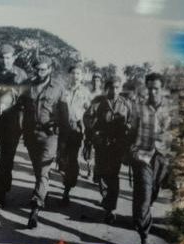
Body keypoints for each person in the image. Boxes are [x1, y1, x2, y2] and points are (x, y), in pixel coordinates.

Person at [20, 55, 68, 228]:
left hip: (50, 136)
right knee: (37, 169)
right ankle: (42, 192)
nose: (39, 72)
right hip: (31, 134)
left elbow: (64, 116)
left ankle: (36, 208)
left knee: (43, 171)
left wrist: (64, 141)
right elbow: (21, 108)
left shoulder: (58, 88)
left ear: (50, 69)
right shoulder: (28, 85)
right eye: (37, 69)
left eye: (43, 69)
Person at [127, 72, 172, 244]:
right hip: (142, 156)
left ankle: (141, 215)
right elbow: (132, 130)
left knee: (152, 193)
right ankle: (143, 234)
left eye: (156, 89)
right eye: (150, 88)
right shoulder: (139, 108)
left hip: (161, 157)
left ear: (162, 89)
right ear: (146, 88)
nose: (153, 92)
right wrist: (130, 150)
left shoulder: (169, 110)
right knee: (144, 195)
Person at [0, 44, 28, 210]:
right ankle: (3, 181)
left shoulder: (21, 75)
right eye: (2, 57)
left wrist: (5, 102)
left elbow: (18, 93)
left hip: (12, 124)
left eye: (8, 57)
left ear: (14, 58)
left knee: (6, 163)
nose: (5, 60)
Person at [84, 75, 132, 225]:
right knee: (102, 173)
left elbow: (131, 121)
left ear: (120, 88)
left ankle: (111, 209)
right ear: (107, 89)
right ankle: (106, 199)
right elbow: (87, 117)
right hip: (102, 144)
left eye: (117, 87)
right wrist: (93, 133)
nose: (114, 90)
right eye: (111, 87)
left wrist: (127, 132)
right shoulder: (98, 103)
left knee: (113, 175)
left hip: (118, 144)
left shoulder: (126, 104)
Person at [57, 63, 91, 206]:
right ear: (68, 75)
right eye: (73, 73)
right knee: (61, 159)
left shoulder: (85, 92)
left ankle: (67, 190)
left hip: (76, 129)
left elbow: (89, 112)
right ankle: (66, 178)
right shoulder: (62, 90)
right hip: (62, 129)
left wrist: (86, 128)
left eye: (78, 74)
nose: (75, 76)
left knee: (72, 159)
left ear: (82, 76)